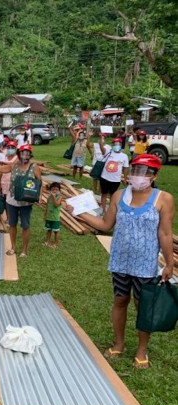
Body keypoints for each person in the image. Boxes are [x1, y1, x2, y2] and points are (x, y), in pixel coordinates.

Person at [66, 154, 174, 369]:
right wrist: (78, 212)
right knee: (120, 301)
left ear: (154, 176)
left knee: (143, 306)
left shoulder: (163, 198)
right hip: (120, 262)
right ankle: (119, 343)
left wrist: (169, 263)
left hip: (145, 264)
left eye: (144, 172)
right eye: (135, 171)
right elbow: (105, 224)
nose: (138, 176)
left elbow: (165, 234)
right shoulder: (118, 196)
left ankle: (142, 349)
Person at [0, 144, 42, 257]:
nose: (25, 156)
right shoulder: (13, 166)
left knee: (25, 225)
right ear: (19, 154)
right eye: (23, 153)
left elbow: (40, 182)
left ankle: (24, 250)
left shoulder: (34, 167)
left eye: (27, 153)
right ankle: (13, 247)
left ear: (30, 155)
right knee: (12, 224)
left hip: (26, 202)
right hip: (12, 200)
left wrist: (39, 195)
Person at [97, 137, 129, 211]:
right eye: (114, 144)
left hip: (115, 180)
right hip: (104, 177)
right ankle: (103, 210)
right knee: (104, 194)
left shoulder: (124, 156)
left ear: (121, 145)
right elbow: (102, 149)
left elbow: (125, 168)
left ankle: (110, 211)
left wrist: (124, 178)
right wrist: (100, 142)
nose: (116, 145)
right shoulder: (109, 153)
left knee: (113, 195)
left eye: (118, 144)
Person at [43, 182, 63, 248]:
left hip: (55, 218)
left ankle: (56, 244)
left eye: (56, 189)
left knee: (56, 231)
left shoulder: (60, 197)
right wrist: (45, 215)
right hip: (49, 217)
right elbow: (47, 206)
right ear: (50, 190)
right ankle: (47, 241)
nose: (54, 191)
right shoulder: (49, 197)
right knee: (48, 230)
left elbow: (56, 204)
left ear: (59, 190)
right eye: (53, 189)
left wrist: (54, 197)